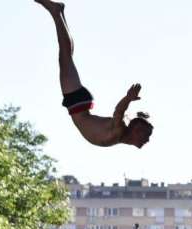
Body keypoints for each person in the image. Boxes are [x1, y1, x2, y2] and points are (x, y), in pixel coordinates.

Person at [34, 0, 153, 148]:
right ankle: (57, 13)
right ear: (136, 130)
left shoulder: (119, 135)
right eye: (146, 135)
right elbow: (119, 112)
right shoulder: (119, 129)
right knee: (65, 55)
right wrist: (128, 99)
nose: (147, 140)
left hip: (80, 105)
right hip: (78, 105)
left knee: (66, 55)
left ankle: (59, 13)